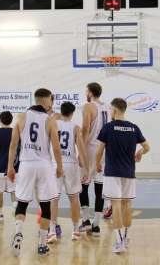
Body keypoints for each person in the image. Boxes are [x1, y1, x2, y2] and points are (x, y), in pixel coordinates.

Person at [7, 88, 63, 257]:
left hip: (26, 164)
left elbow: (13, 145)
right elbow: (56, 147)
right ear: (46, 101)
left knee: (22, 202)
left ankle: (18, 232)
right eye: (51, 101)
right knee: (45, 204)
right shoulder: (50, 120)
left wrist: (10, 167)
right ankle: (42, 244)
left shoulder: (22, 117)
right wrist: (59, 166)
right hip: (44, 165)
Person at [96, 98, 150, 254]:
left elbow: (100, 150)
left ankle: (119, 242)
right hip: (129, 173)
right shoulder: (134, 128)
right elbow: (147, 147)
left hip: (112, 172)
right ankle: (125, 238)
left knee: (116, 205)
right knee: (127, 206)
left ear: (114, 111)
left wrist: (97, 164)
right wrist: (140, 152)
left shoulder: (108, 127)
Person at [47, 102, 88, 243]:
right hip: (70, 165)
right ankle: (76, 230)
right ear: (72, 113)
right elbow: (81, 149)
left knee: (54, 199)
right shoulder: (75, 127)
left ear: (61, 111)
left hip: (54, 164)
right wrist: (86, 169)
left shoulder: (53, 124)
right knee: (74, 199)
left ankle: (51, 231)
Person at [79, 82, 111, 235]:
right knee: (99, 187)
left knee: (83, 184)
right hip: (104, 149)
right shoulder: (109, 107)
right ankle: (96, 225)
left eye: (86, 91)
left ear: (90, 92)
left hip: (91, 147)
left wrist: (81, 150)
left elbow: (85, 128)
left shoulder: (88, 106)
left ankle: (85, 220)